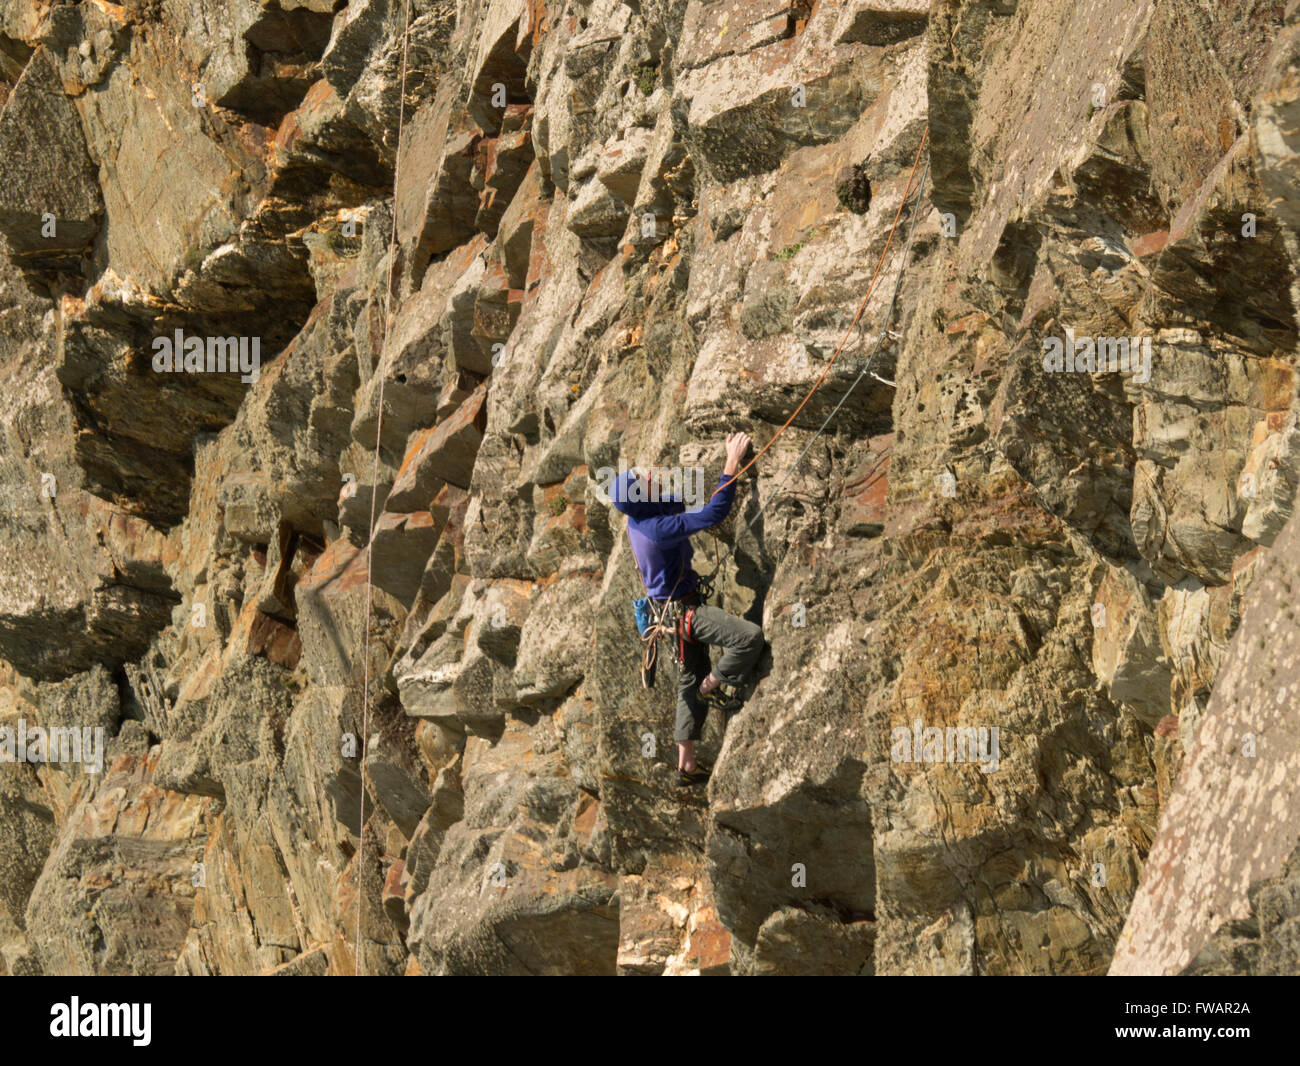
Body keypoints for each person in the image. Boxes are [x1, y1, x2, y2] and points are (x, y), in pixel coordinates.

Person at [611, 433, 765, 787]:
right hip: (685, 614)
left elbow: (676, 503)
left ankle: (687, 765)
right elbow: (713, 514)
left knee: (688, 678)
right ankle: (716, 683)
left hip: (668, 614)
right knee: (747, 638)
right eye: (643, 479)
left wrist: (663, 486)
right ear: (639, 494)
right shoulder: (655, 529)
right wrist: (731, 462)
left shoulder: (640, 519)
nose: (649, 476)